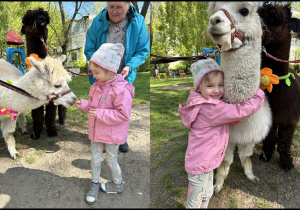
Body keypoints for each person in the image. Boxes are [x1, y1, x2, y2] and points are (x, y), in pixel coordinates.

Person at [178, 58, 265, 208]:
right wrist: (257, 95)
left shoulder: (202, 101)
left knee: (206, 193)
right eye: (210, 86)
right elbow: (240, 110)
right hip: (201, 164)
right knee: (194, 202)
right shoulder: (210, 108)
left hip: (205, 161)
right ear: (198, 87)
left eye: (220, 85)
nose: (217, 90)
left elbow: (220, 116)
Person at [84, 1, 150, 153]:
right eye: (111, 7)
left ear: (128, 5)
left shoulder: (138, 22)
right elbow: (89, 48)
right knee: (101, 107)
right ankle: (102, 138)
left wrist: (129, 66)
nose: (114, 11)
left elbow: (142, 50)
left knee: (120, 108)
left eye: (119, 7)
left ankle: (120, 138)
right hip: (101, 76)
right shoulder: (98, 21)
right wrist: (99, 67)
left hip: (124, 74)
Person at [74, 43, 135, 205]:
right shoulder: (97, 86)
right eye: (92, 72)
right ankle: (94, 184)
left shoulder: (122, 90)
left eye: (96, 72)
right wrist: (84, 104)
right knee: (95, 159)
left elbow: (123, 114)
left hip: (111, 135)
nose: (93, 76)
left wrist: (101, 114)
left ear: (109, 71)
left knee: (111, 160)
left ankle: (117, 184)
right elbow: (93, 106)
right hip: (97, 133)